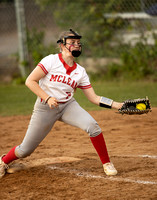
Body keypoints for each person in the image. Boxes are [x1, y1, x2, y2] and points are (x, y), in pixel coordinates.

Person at [0, 29, 123, 178]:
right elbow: (30, 81)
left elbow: (94, 98)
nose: (76, 45)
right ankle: (3, 161)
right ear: (62, 46)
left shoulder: (80, 72)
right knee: (25, 150)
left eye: (78, 43)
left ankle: (107, 163)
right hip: (45, 108)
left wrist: (118, 105)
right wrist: (47, 98)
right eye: (72, 43)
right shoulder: (50, 61)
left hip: (67, 106)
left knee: (93, 126)